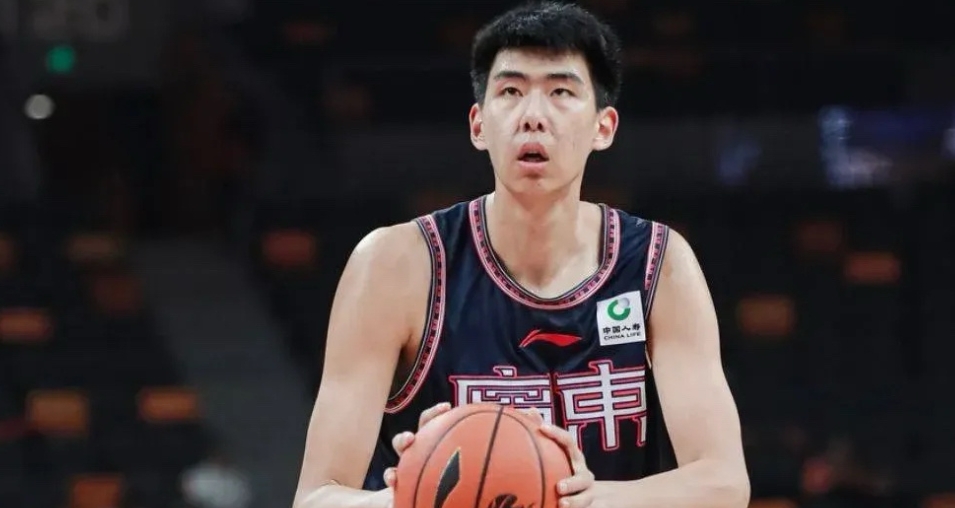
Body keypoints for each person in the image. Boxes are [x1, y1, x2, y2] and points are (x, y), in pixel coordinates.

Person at [293, 2, 750, 508]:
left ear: (603, 127)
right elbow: (316, 498)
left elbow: (723, 483)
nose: (533, 116)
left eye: (560, 92)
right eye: (510, 92)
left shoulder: (657, 265)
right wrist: (413, 496)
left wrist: (575, 499)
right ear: (478, 124)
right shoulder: (396, 265)